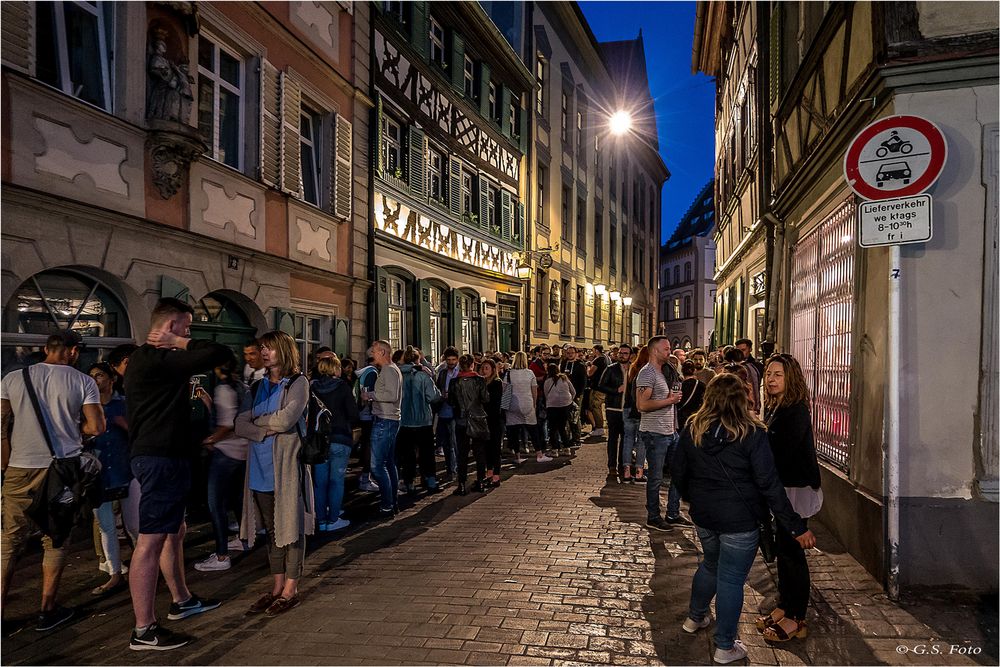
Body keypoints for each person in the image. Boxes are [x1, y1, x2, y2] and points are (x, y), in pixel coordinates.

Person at [672, 373, 816, 664]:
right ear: (741, 399)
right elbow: (769, 484)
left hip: (705, 516)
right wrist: (795, 525)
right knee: (731, 578)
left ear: (709, 397)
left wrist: (692, 499)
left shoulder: (693, 428)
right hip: (740, 519)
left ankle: (694, 618)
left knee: (710, 565)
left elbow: (677, 471)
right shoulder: (752, 432)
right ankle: (725, 646)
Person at [124, 298, 231, 650]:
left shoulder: (152, 361)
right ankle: (144, 629)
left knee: (175, 530)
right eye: (186, 327)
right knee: (151, 539)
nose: (190, 333)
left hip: (167, 457)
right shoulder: (156, 358)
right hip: (160, 459)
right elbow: (218, 352)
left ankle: (182, 600)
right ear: (170, 327)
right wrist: (180, 343)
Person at [1, 331, 105, 631]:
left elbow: (1, 424)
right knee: (56, 538)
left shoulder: (12, 379)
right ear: (73, 351)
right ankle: (47, 609)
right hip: (63, 469)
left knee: (8, 541)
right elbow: (97, 426)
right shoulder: (83, 381)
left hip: (20, 467)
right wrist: (75, 431)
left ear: (46, 349)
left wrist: (6, 461)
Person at [235, 331, 314, 617]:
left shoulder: (298, 382)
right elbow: (239, 424)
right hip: (258, 469)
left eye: (269, 348)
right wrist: (262, 428)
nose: (264, 353)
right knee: (272, 529)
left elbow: (286, 420)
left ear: (283, 349)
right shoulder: (257, 386)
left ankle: (291, 588)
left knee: (290, 528)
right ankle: (276, 585)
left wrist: (260, 421)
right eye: (262, 348)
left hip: (286, 466)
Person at [756, 353, 823, 643]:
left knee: (793, 552)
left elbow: (781, 454)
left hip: (796, 488)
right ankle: (785, 604)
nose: (770, 379)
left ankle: (797, 616)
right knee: (784, 551)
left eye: (777, 375)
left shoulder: (795, 410)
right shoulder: (776, 406)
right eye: (768, 374)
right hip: (784, 487)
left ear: (790, 378)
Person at [194, 353, 250, 572]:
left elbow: (227, 424)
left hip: (226, 453)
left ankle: (221, 555)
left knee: (215, 503)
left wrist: (210, 439)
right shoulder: (241, 387)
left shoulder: (224, 389)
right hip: (242, 451)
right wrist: (207, 400)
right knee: (236, 499)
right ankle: (244, 538)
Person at [86, 362, 132, 594]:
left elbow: (138, 433)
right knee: (106, 526)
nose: (96, 380)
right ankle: (114, 573)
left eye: (100, 375)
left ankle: (143, 565)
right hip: (99, 473)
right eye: (92, 376)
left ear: (111, 379)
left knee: (133, 525)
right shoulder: (86, 407)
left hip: (125, 470)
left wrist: (125, 426)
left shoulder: (123, 404)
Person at [636, 336, 683, 532]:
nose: (669, 352)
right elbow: (642, 405)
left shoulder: (663, 371)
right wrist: (669, 401)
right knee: (655, 477)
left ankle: (673, 513)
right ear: (654, 351)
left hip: (670, 431)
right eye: (666, 348)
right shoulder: (647, 374)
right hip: (655, 432)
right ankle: (653, 517)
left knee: (680, 472)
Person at [311, 353, 359, 532]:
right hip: (340, 437)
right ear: (335, 368)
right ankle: (333, 519)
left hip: (319, 440)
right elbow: (353, 414)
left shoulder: (312, 387)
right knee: (337, 480)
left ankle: (321, 519)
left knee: (320, 482)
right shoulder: (343, 387)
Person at [365, 340, 403, 516]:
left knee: (377, 466)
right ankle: (392, 501)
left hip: (385, 420)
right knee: (388, 462)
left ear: (382, 352)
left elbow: (391, 394)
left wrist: (371, 395)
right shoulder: (390, 370)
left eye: (373, 351)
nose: (371, 353)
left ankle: (387, 504)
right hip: (388, 420)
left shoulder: (388, 370)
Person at [398, 346, 441, 495]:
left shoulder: (399, 375)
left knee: (407, 454)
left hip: (404, 420)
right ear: (418, 360)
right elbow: (433, 396)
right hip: (423, 420)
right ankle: (429, 480)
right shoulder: (423, 375)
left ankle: (409, 482)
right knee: (427, 453)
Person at [449, 355, 491, 495]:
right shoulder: (480, 381)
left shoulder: (454, 382)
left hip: (461, 419)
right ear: (473, 364)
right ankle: (480, 481)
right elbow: (485, 398)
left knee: (462, 453)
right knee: (479, 452)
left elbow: (451, 401)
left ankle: (461, 484)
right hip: (478, 418)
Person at [505, 351, 550, 463]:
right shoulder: (530, 373)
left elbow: (505, 390)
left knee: (514, 432)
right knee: (533, 430)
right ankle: (539, 454)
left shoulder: (509, 373)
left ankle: (518, 457)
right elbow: (534, 390)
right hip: (527, 404)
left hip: (512, 405)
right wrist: (534, 404)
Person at [597, 344, 631, 475]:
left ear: (630, 355)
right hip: (613, 408)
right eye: (621, 353)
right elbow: (600, 385)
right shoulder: (611, 369)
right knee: (612, 438)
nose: (622, 355)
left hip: (627, 409)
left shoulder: (634, 369)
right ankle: (612, 466)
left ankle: (623, 465)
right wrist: (616, 390)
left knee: (626, 439)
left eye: (625, 353)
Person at [621, 346, 648, 483]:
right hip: (641, 409)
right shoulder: (647, 371)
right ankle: (639, 472)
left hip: (628, 408)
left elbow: (626, 390)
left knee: (628, 439)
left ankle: (626, 471)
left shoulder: (631, 368)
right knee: (642, 441)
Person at [434, 347, 461, 481]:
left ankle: (453, 470)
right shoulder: (443, 373)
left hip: (455, 411)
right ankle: (450, 468)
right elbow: (438, 387)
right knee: (445, 443)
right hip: (443, 410)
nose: (451, 362)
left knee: (453, 442)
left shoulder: (460, 373)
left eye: (453, 360)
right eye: (449, 360)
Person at [355, 357, 379, 493]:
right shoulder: (372, 373)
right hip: (367, 415)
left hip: (363, 414)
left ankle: (366, 476)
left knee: (366, 443)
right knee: (368, 444)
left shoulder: (365, 372)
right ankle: (366, 477)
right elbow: (367, 393)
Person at [480, 358, 504, 487]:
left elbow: (492, 402)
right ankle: (489, 473)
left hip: (494, 420)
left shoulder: (496, 382)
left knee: (495, 449)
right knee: (486, 448)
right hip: (484, 420)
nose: (484, 371)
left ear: (493, 370)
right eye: (482, 368)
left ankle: (496, 476)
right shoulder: (482, 382)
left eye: (487, 368)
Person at [542, 364, 576, 456]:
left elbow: (546, 395)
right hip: (565, 406)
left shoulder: (547, 381)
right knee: (562, 427)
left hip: (552, 406)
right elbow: (573, 392)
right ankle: (566, 448)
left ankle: (554, 449)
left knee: (552, 428)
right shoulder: (565, 378)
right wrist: (569, 401)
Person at [559, 346, 588, 446]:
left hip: (576, 393)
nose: (570, 354)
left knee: (575, 416)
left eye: (572, 353)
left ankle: (576, 438)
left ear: (575, 354)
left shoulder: (580, 365)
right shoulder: (563, 363)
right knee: (566, 416)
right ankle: (567, 437)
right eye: (568, 353)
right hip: (565, 393)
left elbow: (584, 381)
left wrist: (579, 394)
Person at [587, 345, 610, 437]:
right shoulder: (606, 358)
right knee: (597, 406)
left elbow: (590, 373)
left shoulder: (598, 360)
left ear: (596, 350)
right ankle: (599, 427)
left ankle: (599, 428)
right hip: (603, 387)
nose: (592, 352)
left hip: (597, 387)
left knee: (595, 406)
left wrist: (588, 366)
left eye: (593, 351)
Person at [677, 360, 706, 431]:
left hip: (680, 420)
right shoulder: (702, 386)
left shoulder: (678, 386)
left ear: (682, 370)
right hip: (696, 419)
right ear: (695, 370)